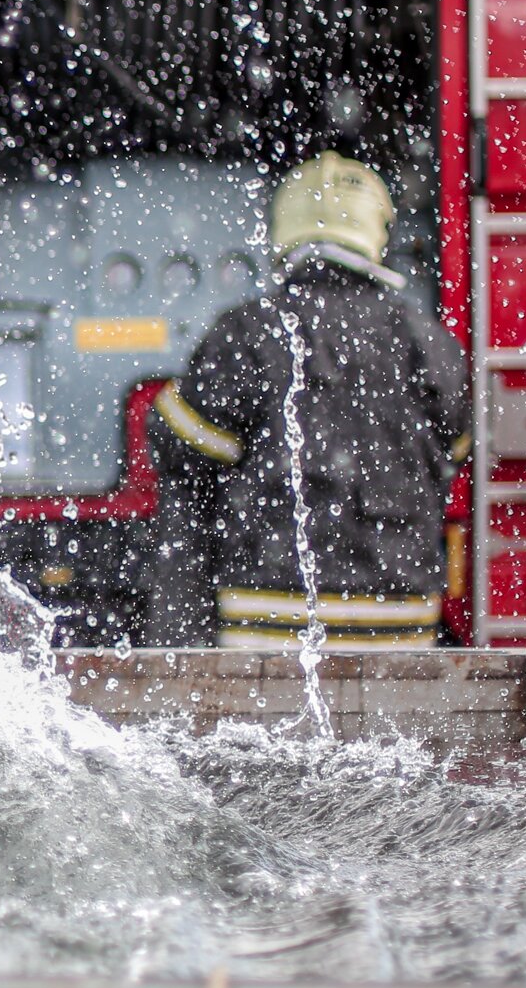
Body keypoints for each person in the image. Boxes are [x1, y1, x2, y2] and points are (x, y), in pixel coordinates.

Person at [142, 152, 471, 650]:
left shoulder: (249, 329)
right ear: (378, 232)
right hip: (400, 619)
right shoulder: (425, 337)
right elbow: (459, 446)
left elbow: (181, 446)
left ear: (283, 232)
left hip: (268, 616)